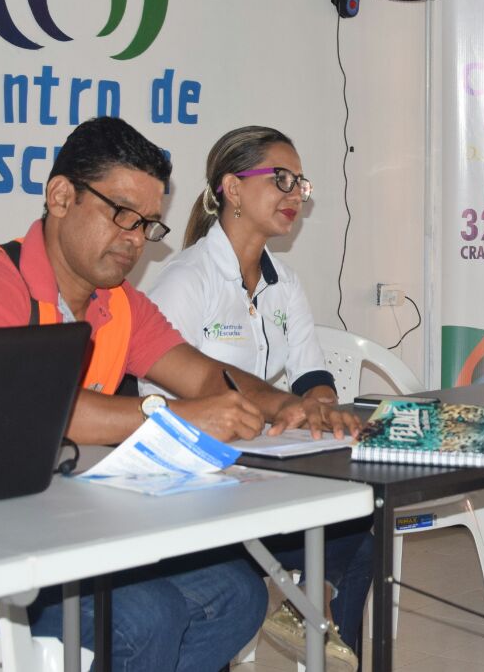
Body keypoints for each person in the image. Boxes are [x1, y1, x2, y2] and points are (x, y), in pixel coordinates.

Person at [0, 117, 345, 670]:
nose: (135, 240)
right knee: (148, 618)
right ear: (61, 196)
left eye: (147, 225)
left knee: (237, 597)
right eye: (122, 214)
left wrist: (285, 404)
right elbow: (33, 411)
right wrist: (175, 416)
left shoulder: (119, 302)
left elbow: (205, 376)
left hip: (73, 530)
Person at [142, 125, 370, 669]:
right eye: (281, 179)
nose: (296, 195)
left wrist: (321, 411)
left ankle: (316, 612)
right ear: (233, 189)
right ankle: (293, 604)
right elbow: (155, 391)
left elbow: (313, 375)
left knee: (366, 514)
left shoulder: (283, 282)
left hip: (267, 466)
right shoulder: (186, 278)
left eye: (301, 184)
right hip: (201, 478)